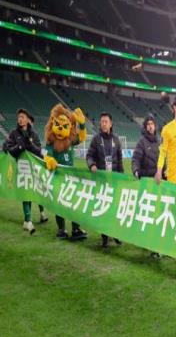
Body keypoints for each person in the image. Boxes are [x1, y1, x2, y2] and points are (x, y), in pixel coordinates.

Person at [44, 103, 88, 241]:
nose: (61, 128)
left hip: (71, 178)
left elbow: (82, 138)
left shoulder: (70, 141)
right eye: (58, 125)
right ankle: (61, 229)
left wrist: (82, 125)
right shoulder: (51, 143)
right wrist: (50, 160)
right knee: (60, 204)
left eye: (65, 126)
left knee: (74, 203)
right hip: (58, 177)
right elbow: (47, 155)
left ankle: (76, 229)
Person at [2, 108, 49, 234]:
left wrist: (31, 147)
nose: (20, 119)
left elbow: (39, 150)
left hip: (33, 168)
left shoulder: (34, 134)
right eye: (19, 117)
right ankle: (27, 220)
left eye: (22, 117)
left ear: (28, 120)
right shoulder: (13, 133)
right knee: (25, 192)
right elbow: (8, 149)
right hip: (22, 168)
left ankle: (41, 213)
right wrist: (19, 147)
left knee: (36, 191)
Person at [86, 112, 124, 248]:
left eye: (106, 121)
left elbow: (119, 160)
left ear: (111, 124)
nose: (103, 124)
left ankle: (116, 234)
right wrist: (92, 164)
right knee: (103, 208)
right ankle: (105, 237)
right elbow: (89, 155)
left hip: (114, 181)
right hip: (101, 181)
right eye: (102, 121)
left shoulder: (116, 140)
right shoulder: (96, 139)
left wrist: (122, 177)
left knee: (115, 209)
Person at [133, 115, 164, 257]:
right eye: (148, 124)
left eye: (152, 124)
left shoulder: (159, 142)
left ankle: (155, 245)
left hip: (158, 184)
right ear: (145, 127)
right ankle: (147, 242)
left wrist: (165, 173)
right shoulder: (141, 142)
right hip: (146, 184)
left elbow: (163, 161)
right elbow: (136, 159)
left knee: (157, 214)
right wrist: (136, 170)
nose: (151, 126)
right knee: (147, 214)